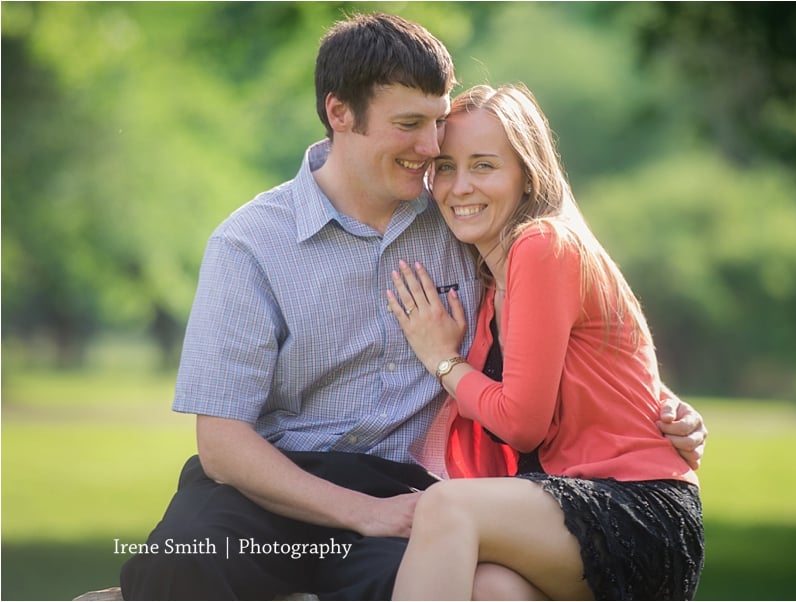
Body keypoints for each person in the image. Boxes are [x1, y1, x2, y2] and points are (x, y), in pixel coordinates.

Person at [120, 13, 707, 601]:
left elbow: (564, 333)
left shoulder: (466, 221)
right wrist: (359, 513)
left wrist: (657, 407)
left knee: (446, 582)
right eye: (409, 125)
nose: (431, 150)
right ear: (339, 113)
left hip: (408, 492)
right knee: (183, 563)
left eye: (437, 123)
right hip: (273, 487)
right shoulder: (249, 244)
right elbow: (221, 444)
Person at [386, 83, 704, 601]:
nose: (459, 186)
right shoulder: (492, 283)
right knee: (491, 589)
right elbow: (617, 376)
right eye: (445, 167)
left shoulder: (543, 243)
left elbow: (521, 423)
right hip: (571, 511)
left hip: (637, 509)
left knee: (447, 508)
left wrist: (442, 361)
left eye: (483, 165)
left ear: (527, 175)